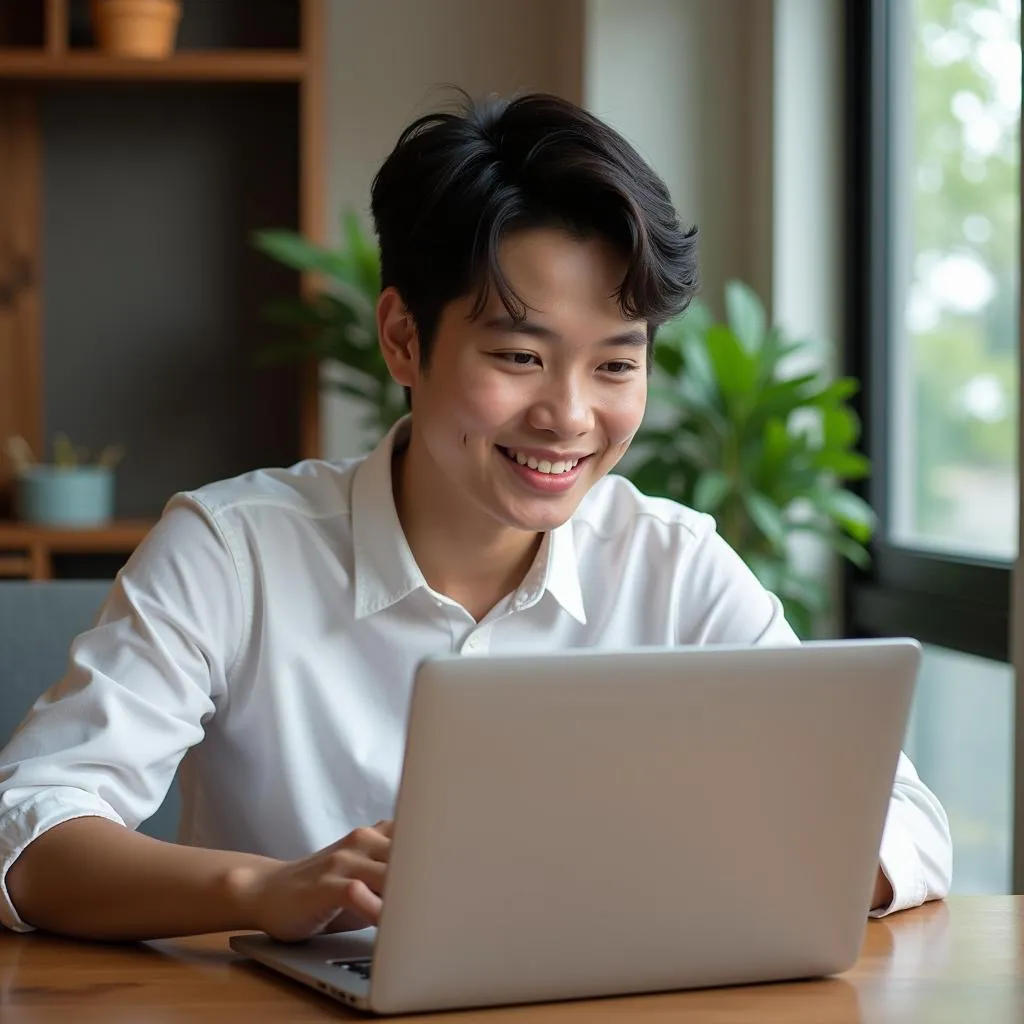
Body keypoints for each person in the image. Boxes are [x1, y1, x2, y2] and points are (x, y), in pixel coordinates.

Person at [0, 92, 951, 942]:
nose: (571, 417)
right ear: (404, 339)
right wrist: (264, 888)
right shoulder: (234, 550)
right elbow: (32, 828)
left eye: (616, 364)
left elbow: (901, 823)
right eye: (520, 357)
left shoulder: (672, 564)